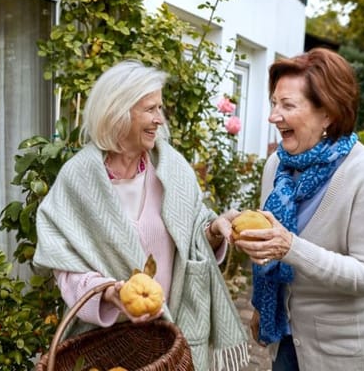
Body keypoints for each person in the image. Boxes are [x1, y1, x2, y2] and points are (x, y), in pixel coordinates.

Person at [33, 59, 249, 370]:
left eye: (160, 109)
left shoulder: (171, 169)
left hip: (168, 339)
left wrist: (214, 229)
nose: (160, 120)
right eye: (151, 109)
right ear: (118, 111)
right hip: (104, 346)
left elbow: (193, 232)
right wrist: (109, 293)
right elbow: (66, 269)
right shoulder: (77, 179)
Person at [232, 48, 364, 371]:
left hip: (338, 351)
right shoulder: (278, 165)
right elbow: (272, 254)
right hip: (284, 334)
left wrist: (291, 248)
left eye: (288, 105)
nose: (273, 116)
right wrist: (263, 308)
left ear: (328, 114)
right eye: (274, 103)